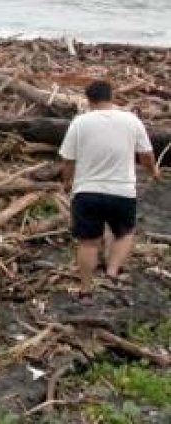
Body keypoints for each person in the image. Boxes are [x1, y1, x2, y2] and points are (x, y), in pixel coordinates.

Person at [59, 80, 162, 297]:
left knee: (88, 243)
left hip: (86, 191)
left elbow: (68, 160)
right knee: (124, 234)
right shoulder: (131, 120)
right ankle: (112, 272)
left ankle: (86, 288)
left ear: (88, 100)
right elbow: (146, 154)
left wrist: (66, 183)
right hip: (122, 191)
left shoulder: (79, 122)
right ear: (112, 96)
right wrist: (153, 171)